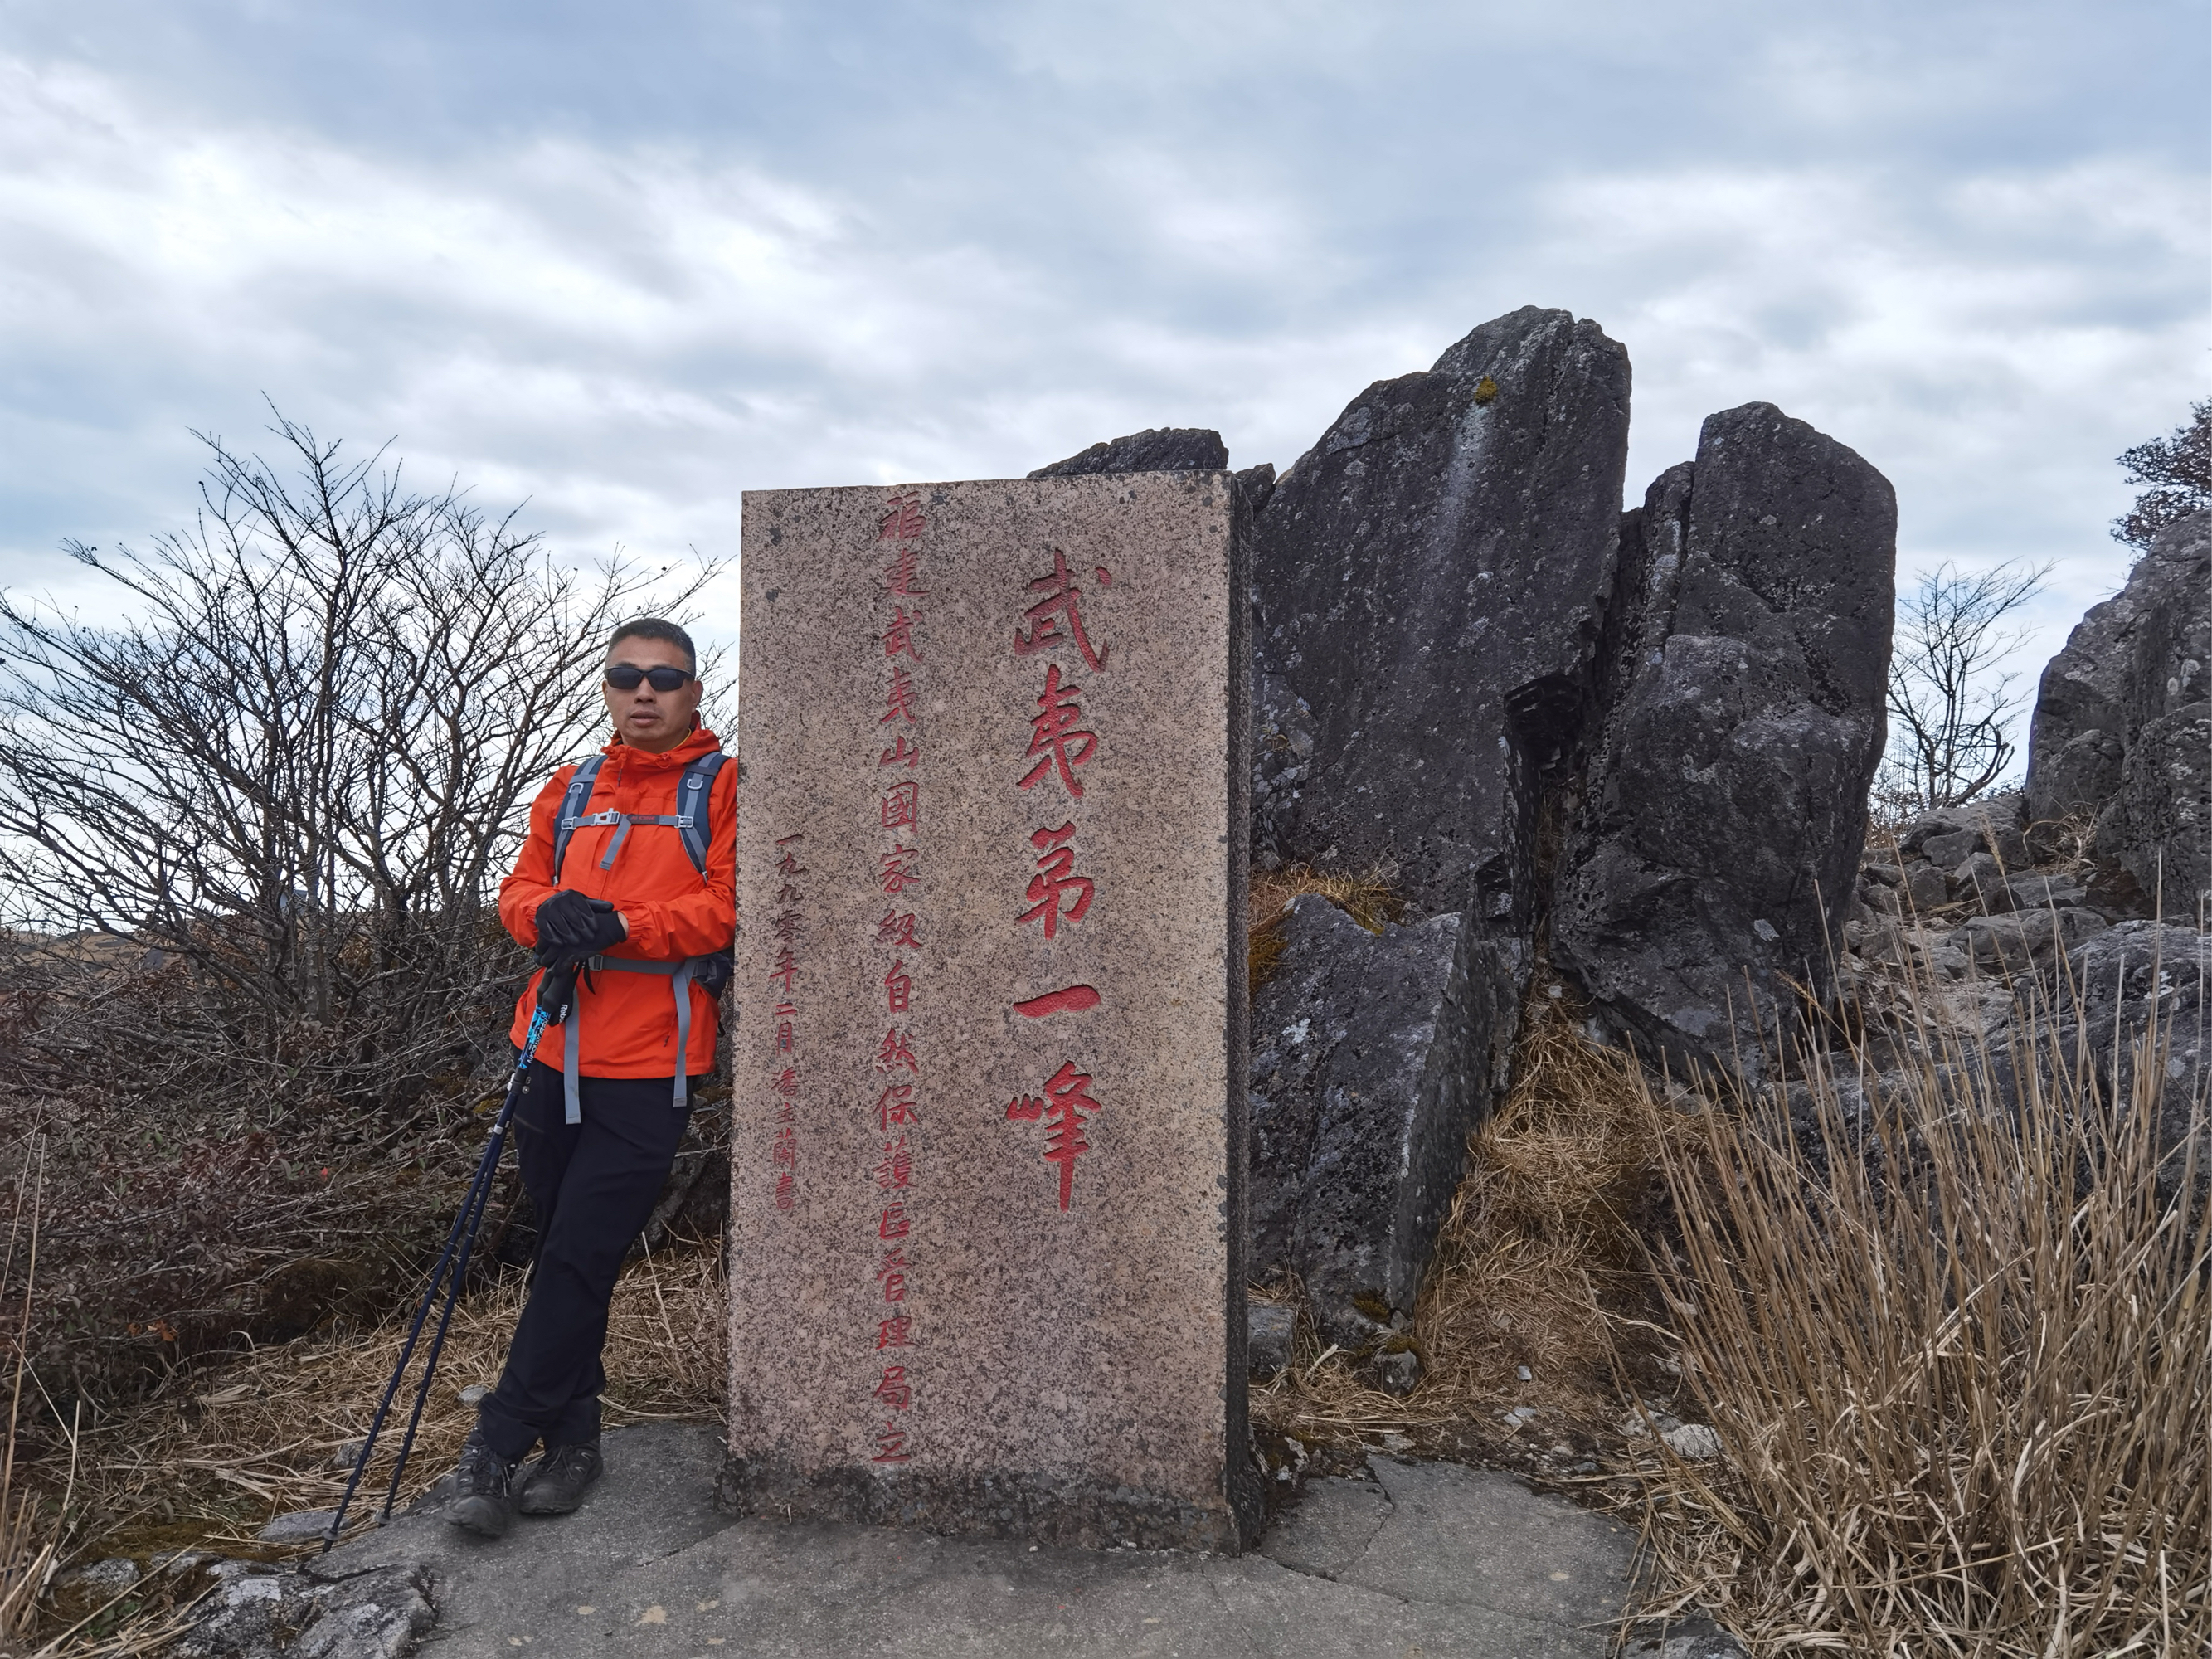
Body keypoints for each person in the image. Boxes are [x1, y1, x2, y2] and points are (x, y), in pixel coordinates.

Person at [445, 617, 736, 1538]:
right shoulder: (569, 789)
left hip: (653, 1064)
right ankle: (575, 1443)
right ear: (607, 689)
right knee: (565, 1254)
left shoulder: (723, 787)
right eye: (625, 676)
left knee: (581, 1253)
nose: (643, 690)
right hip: (550, 1051)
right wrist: (550, 914)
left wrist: (619, 924)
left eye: (664, 677)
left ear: (694, 693)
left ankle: (496, 1441)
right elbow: (516, 892)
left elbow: (723, 908)